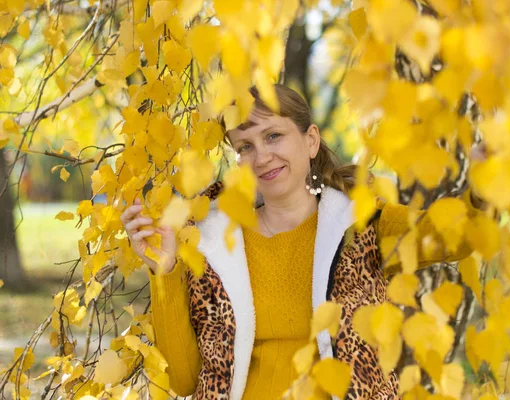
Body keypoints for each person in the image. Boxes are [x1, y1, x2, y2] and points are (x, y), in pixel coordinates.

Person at [120, 84, 487, 399]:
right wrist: (164, 269)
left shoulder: (362, 226)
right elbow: (184, 380)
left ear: (310, 140)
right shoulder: (212, 243)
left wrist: (485, 189)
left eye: (273, 136)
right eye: (244, 147)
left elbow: (455, 239)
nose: (262, 156)